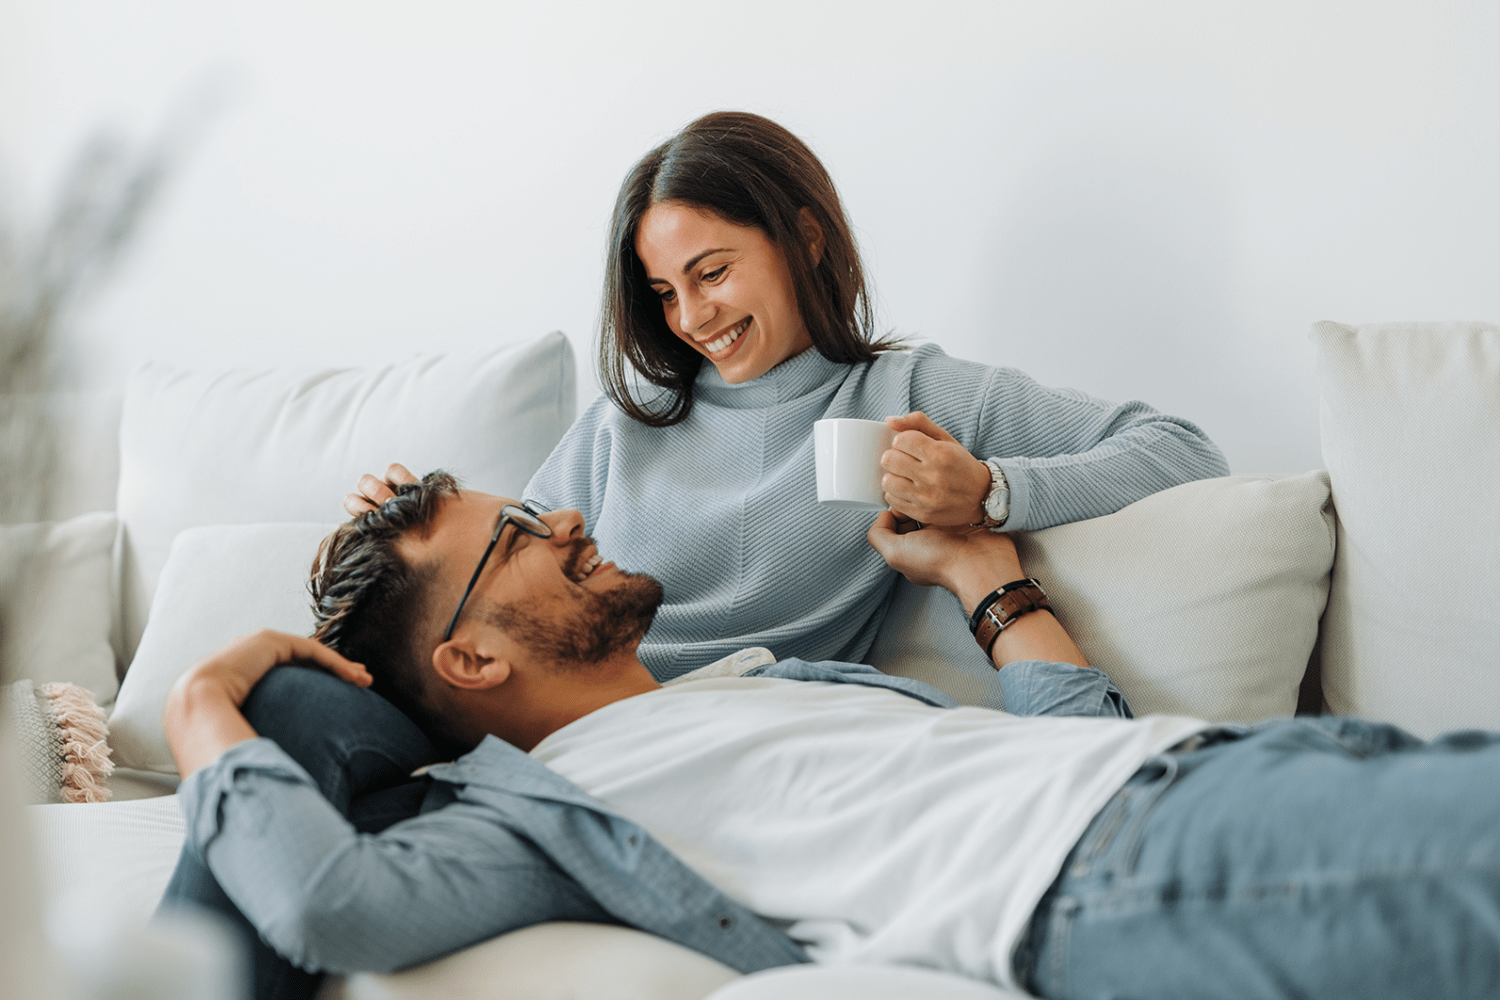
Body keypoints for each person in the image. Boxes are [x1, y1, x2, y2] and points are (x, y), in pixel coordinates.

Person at [166, 472, 1500, 1000]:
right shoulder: (535, 819)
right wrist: (201, 703)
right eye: (516, 540)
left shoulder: (757, 686)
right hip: (1128, 873)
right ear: (470, 659)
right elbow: (334, 906)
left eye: (538, 507)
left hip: (1221, 773)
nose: (563, 522)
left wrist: (982, 575)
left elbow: (1069, 734)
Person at [347, 111, 1230, 682]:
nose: (691, 316)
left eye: (713, 272)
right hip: (573, 723)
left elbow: (1185, 451)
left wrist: (992, 494)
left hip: (745, 731)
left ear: (803, 237)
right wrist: (401, 546)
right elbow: (498, 586)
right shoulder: (622, 427)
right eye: (663, 292)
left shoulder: (903, 394)